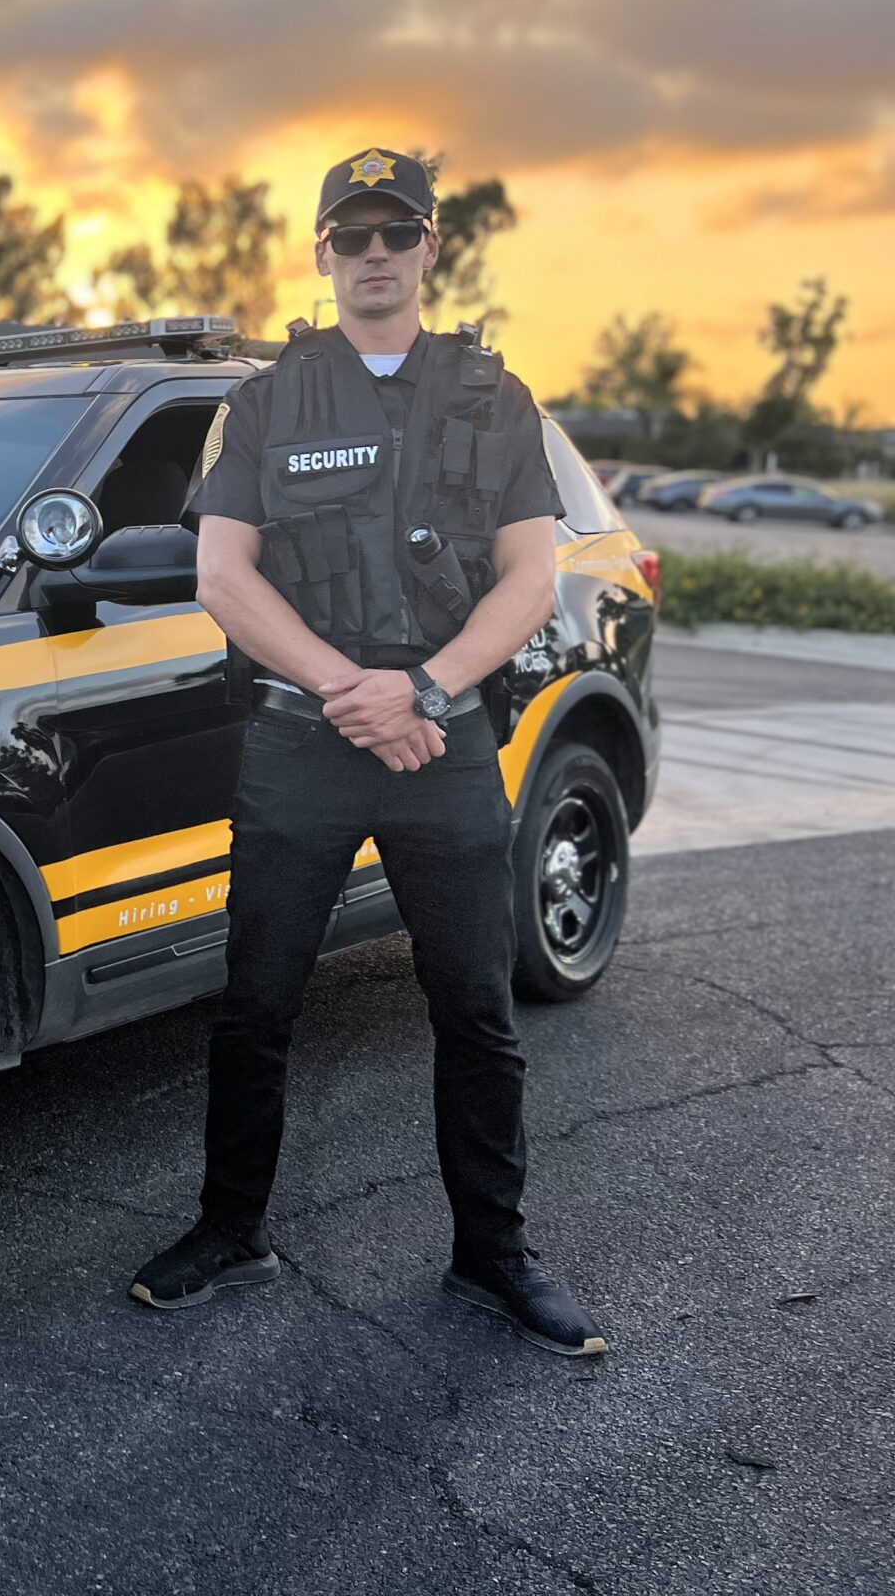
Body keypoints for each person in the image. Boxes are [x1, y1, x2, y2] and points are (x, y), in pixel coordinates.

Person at [130, 148, 607, 1358]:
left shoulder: (495, 399)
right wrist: (350, 689)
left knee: (474, 1007)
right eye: (354, 235)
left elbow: (527, 580)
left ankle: (491, 1256)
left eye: (398, 233)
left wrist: (424, 690)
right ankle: (231, 1230)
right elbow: (220, 575)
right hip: (302, 739)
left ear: (431, 248)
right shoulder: (268, 398)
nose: (375, 254)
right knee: (255, 1008)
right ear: (323, 254)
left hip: (441, 739)